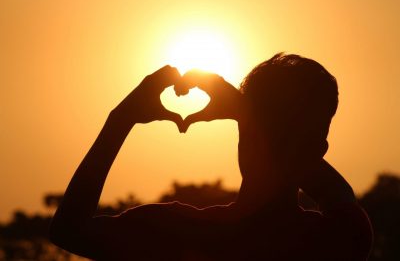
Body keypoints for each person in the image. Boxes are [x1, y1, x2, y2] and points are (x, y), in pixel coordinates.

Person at [50, 53, 373, 260]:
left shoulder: (174, 229)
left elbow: (69, 230)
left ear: (242, 136)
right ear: (319, 151)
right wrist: (251, 118)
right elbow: (336, 193)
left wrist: (120, 119)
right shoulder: (336, 239)